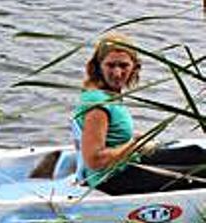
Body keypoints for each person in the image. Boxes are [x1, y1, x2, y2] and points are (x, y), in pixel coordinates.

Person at [74, 32, 206, 195]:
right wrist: (134, 145)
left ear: (134, 67)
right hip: (112, 179)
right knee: (200, 173)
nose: (117, 73)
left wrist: (136, 143)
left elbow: (110, 136)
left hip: (127, 161)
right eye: (110, 65)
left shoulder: (109, 94)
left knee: (195, 153)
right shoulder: (98, 105)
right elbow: (95, 160)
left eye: (123, 65)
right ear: (98, 66)